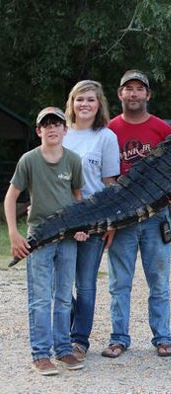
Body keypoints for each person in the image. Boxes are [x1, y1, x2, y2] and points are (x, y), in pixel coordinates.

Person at [101, 70, 171, 358]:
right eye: (129, 89)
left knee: (159, 283)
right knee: (119, 284)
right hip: (123, 217)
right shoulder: (109, 130)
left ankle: (163, 338)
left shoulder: (162, 130)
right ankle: (118, 338)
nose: (134, 93)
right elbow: (105, 175)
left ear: (148, 95)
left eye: (140, 89)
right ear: (120, 94)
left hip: (156, 216)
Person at [4, 107, 88, 375]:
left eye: (57, 124)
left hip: (66, 238)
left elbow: (77, 198)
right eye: (46, 125)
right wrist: (14, 233)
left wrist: (81, 226)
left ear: (65, 130)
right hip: (39, 237)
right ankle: (40, 354)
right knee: (40, 298)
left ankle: (63, 349)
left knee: (64, 297)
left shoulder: (73, 160)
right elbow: (10, 197)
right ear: (39, 131)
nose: (52, 129)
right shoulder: (28, 160)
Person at [62, 80, 120, 361]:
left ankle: (79, 339)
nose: (84, 104)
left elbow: (110, 183)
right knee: (55, 281)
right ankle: (65, 326)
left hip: (94, 219)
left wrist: (111, 222)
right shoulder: (60, 133)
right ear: (71, 103)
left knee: (85, 283)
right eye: (79, 99)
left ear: (99, 106)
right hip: (61, 219)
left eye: (90, 100)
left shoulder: (105, 137)